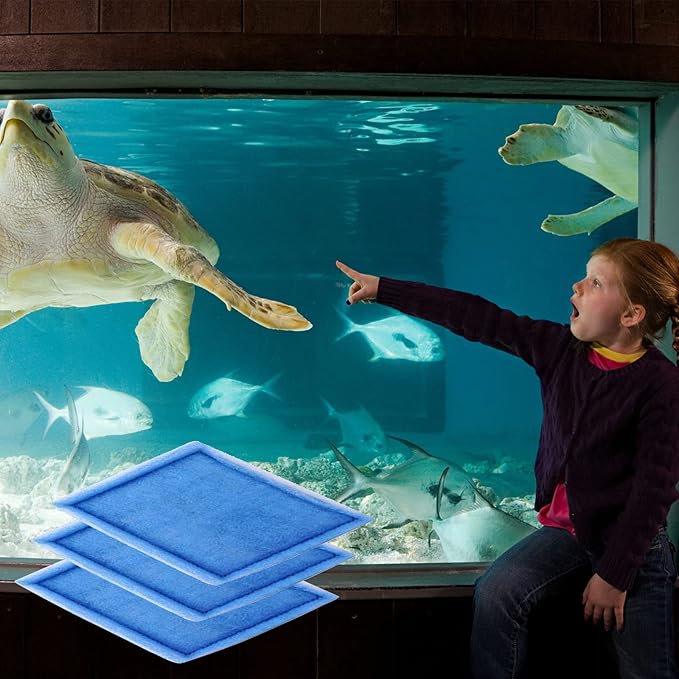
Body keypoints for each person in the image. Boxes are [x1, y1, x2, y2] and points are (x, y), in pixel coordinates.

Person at [336, 237, 679, 679]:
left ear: (631, 315)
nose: (576, 286)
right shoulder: (559, 350)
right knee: (496, 593)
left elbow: (653, 492)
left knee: (646, 670)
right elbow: (477, 316)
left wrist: (615, 576)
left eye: (595, 283)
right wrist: (385, 289)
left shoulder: (661, 385)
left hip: (633, 545)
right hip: (569, 533)